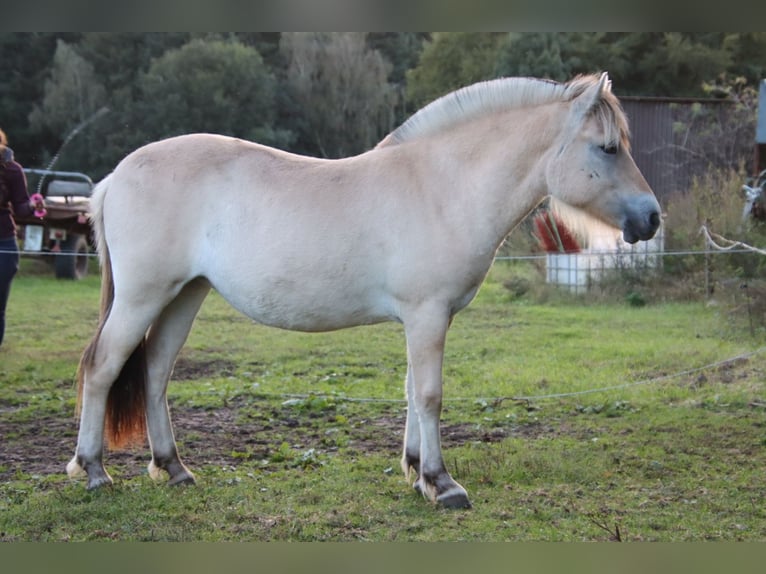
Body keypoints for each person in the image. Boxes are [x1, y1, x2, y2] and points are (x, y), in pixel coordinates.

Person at [0, 128, 44, 348]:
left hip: (4, 245)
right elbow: (21, 210)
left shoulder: (12, 170)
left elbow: (21, 209)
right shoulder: (13, 169)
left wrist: (33, 205)